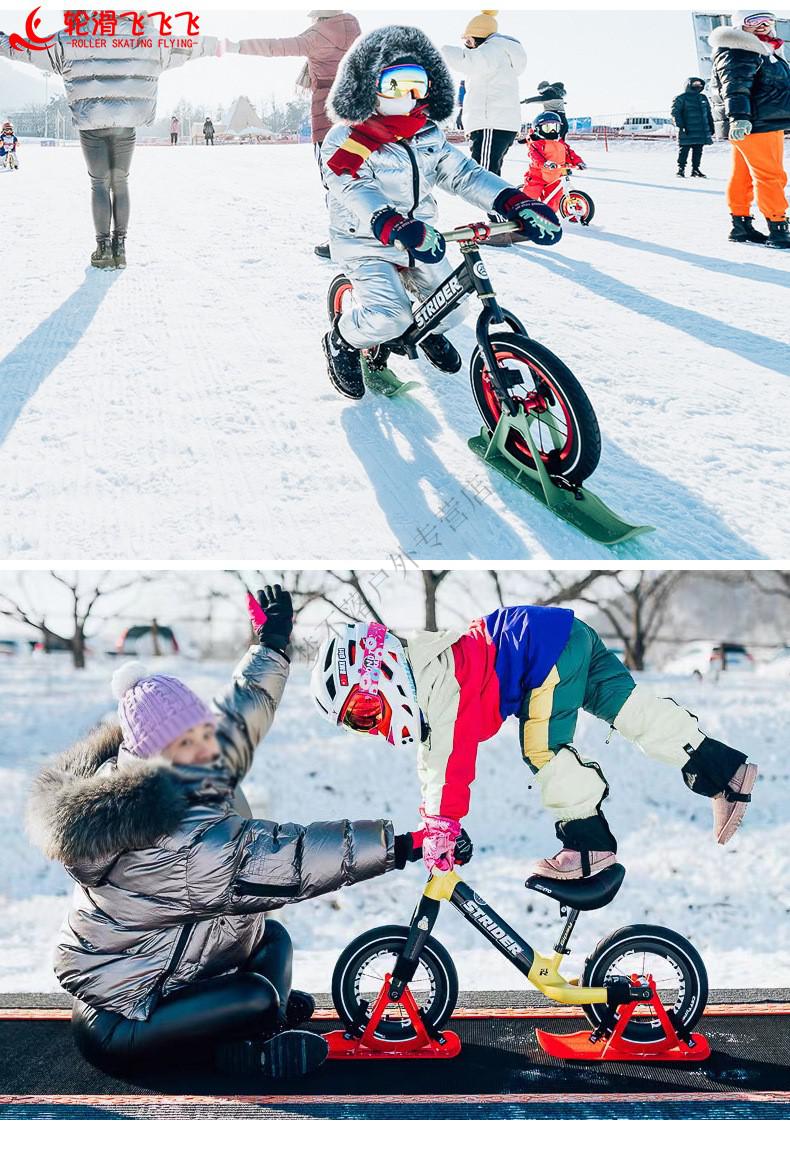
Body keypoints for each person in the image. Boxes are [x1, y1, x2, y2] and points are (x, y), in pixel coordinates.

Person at [26, 586, 428, 1080]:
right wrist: (398, 846)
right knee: (256, 995)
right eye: (186, 742)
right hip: (124, 1019)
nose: (204, 747)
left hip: (163, 970)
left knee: (272, 940)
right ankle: (244, 1051)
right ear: (153, 757)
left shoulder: (187, 774)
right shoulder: (171, 836)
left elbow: (242, 713)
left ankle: (253, 1022)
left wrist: (272, 644)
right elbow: (289, 860)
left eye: (201, 733)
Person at [311, 608, 758, 882]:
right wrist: (433, 821)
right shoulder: (428, 677)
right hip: (563, 635)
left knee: (541, 748)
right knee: (630, 710)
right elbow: (434, 755)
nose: (374, 727)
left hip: (545, 652)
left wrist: (443, 824)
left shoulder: (438, 680)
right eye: (360, 726)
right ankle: (724, 770)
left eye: (367, 713)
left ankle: (588, 843)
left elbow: (450, 759)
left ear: (380, 672)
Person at [319, 25, 561, 401]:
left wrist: (514, 202)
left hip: (420, 237)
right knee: (390, 316)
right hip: (366, 242)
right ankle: (342, 339)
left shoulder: (426, 134)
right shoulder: (348, 137)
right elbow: (350, 186)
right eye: (397, 84)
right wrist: (389, 224)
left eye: (418, 84)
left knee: (454, 309)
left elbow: (465, 175)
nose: (410, 96)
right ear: (368, 85)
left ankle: (427, 330)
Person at [0, 15, 221, 268]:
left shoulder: (74, 35)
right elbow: (187, 46)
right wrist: (220, 45)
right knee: (120, 182)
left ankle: (103, 248)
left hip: (91, 122)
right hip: (125, 123)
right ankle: (121, 247)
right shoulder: (144, 37)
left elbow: (27, 49)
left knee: (99, 185)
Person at [227, 10, 361, 259]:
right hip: (356, 113)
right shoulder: (354, 29)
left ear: (318, 17)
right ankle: (366, 233)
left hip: (326, 115)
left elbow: (275, 47)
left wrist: (236, 46)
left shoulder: (316, 35)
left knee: (333, 179)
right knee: (358, 175)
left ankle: (342, 240)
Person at [708, 9, 790, 248]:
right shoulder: (740, 49)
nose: (763, 25)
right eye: (754, 21)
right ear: (740, 25)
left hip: (761, 121)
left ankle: (741, 226)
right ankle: (779, 228)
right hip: (755, 123)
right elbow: (734, 87)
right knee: (771, 175)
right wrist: (739, 117)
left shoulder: (764, 49)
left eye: (768, 21)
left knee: (744, 175)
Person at [442, 11, 526, 178]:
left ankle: (500, 204)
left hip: (491, 124)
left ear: (479, 37)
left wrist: (440, 50)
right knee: (487, 177)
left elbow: (466, 60)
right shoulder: (498, 54)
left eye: (468, 41)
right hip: (496, 124)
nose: (467, 45)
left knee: (484, 179)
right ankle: (499, 203)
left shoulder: (492, 49)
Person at [521, 112, 586, 215]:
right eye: (547, 128)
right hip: (538, 176)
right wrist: (545, 163)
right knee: (530, 195)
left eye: (555, 127)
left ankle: (547, 216)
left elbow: (570, 155)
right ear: (538, 129)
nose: (552, 131)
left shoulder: (561, 143)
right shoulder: (537, 143)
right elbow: (535, 156)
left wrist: (578, 162)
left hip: (556, 176)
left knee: (554, 200)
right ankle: (521, 211)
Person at [671, 77, 715, 178]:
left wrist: (711, 127)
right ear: (689, 84)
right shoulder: (680, 98)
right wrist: (681, 126)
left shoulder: (703, 98)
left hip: (701, 130)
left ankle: (695, 169)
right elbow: (675, 113)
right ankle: (681, 169)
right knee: (684, 150)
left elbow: (708, 113)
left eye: (699, 84)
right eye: (695, 84)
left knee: (698, 150)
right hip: (687, 130)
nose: (698, 86)